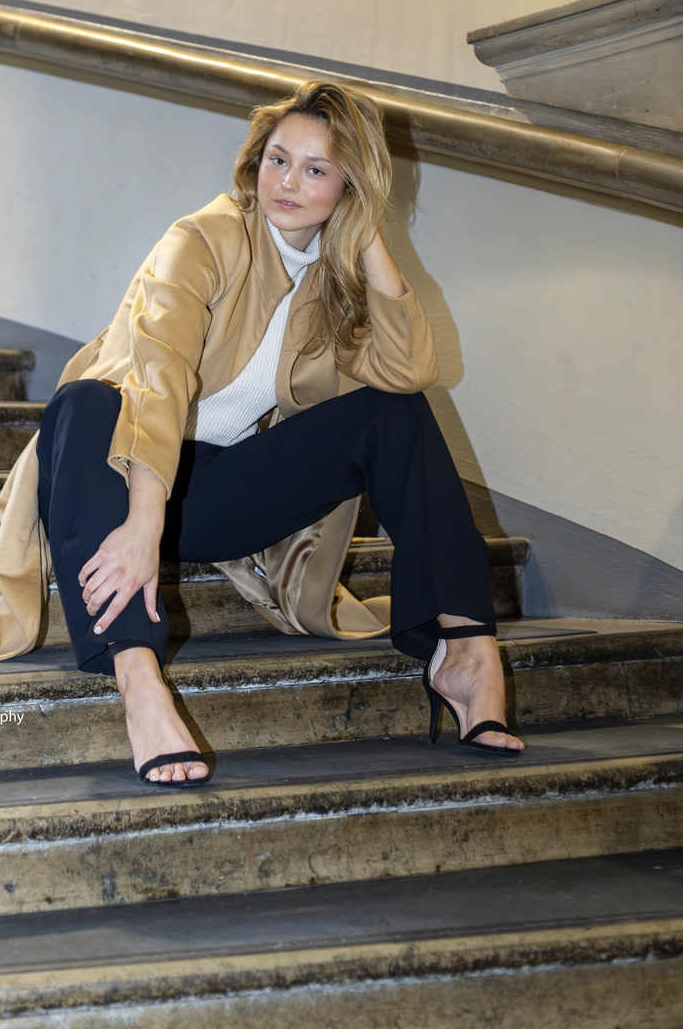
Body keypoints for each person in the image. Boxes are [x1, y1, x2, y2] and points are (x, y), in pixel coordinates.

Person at [31, 80, 525, 787]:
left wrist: (363, 235)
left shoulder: (333, 279)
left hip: (215, 497)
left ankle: (465, 653)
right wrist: (142, 521)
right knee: (84, 400)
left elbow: (408, 369)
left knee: (393, 413)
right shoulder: (201, 239)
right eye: (277, 159)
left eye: (317, 169)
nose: (287, 182)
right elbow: (157, 377)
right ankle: (138, 679)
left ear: (349, 186)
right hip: (118, 475)